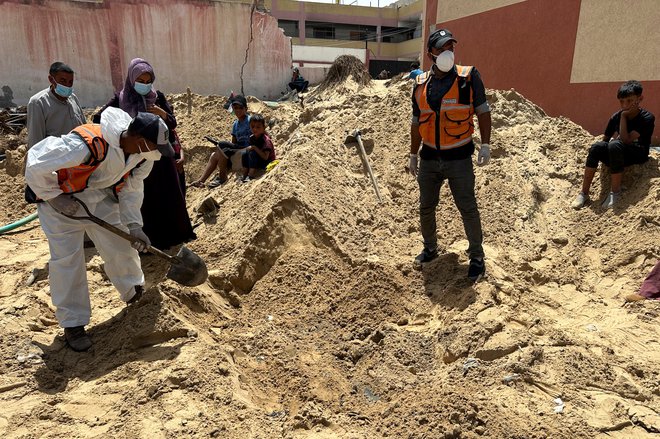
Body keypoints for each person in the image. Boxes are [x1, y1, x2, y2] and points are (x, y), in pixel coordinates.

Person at [25, 108, 174, 351]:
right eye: (154, 147)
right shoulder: (89, 144)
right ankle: (73, 323)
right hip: (60, 202)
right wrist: (53, 196)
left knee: (121, 246)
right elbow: (35, 161)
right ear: (138, 140)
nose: (157, 153)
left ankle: (133, 292)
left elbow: (132, 189)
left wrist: (134, 225)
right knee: (67, 260)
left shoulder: (143, 156)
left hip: (97, 197)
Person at [408, 28, 492, 282]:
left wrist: (486, 144)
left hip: (459, 159)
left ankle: (476, 257)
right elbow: (416, 122)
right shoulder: (420, 84)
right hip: (429, 159)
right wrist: (413, 154)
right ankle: (430, 248)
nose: (448, 52)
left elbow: (483, 111)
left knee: (467, 207)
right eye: (442, 48)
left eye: (451, 47)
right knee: (426, 207)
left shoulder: (468, 77)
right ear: (431, 53)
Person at [93, 58, 195, 249]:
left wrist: (161, 114)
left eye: (148, 81)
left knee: (168, 196)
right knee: (142, 198)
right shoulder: (120, 99)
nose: (145, 85)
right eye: (141, 80)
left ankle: (175, 236)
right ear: (132, 79)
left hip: (160, 158)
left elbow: (172, 125)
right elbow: (99, 118)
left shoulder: (158, 98)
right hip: (136, 157)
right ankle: (149, 240)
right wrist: (124, 133)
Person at [571, 80, 655, 210]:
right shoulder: (615, 117)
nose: (625, 105)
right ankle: (584, 193)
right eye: (622, 101)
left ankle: (615, 192)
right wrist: (603, 149)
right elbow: (605, 140)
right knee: (596, 147)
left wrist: (624, 117)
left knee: (615, 144)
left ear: (640, 99)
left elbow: (626, 140)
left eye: (629, 101)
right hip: (619, 153)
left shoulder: (647, 118)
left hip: (638, 154)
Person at [191, 95, 251, 188]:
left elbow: (261, 134)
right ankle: (201, 181)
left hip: (247, 148)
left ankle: (222, 177)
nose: (238, 110)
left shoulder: (250, 120)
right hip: (238, 148)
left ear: (246, 109)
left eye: (240, 108)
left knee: (222, 145)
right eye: (235, 108)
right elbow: (234, 143)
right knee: (215, 154)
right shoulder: (235, 124)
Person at [27, 62, 86, 149]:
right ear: (51, 79)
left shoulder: (73, 98)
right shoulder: (38, 103)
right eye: (63, 81)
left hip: (79, 156)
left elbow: (83, 127)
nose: (67, 85)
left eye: (70, 82)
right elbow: (35, 141)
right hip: (56, 158)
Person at [240, 113, 276, 182]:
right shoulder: (252, 138)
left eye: (258, 127)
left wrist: (254, 148)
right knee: (245, 153)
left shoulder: (266, 140)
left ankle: (250, 175)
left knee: (252, 153)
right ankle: (244, 174)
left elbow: (265, 157)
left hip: (267, 162)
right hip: (258, 159)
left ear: (263, 128)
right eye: (252, 127)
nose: (255, 129)